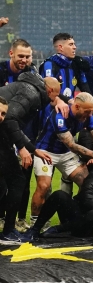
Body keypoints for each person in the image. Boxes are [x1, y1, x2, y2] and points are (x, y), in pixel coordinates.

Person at [31, 92, 93, 229]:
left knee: (87, 182)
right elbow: (72, 145)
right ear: (76, 106)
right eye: (87, 111)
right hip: (46, 151)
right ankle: (35, 223)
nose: (89, 114)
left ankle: (76, 216)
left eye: (91, 111)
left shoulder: (88, 116)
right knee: (44, 186)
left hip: (65, 154)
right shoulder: (60, 115)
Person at [23, 157, 93, 242]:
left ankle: (59, 229)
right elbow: (87, 194)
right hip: (79, 213)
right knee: (59, 195)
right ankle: (35, 230)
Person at [0, 97, 51, 243]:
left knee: (17, 181)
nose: (1, 117)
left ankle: (9, 229)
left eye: (3, 114)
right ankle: (8, 229)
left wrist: (34, 150)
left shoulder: (6, 123)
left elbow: (18, 133)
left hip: (5, 155)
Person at [40, 33, 91, 100]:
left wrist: (92, 103)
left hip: (71, 108)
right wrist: (68, 101)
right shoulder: (49, 64)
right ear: (61, 47)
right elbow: (49, 90)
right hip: (53, 108)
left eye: (74, 44)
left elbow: (85, 88)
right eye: (71, 44)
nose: (74, 47)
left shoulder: (76, 65)